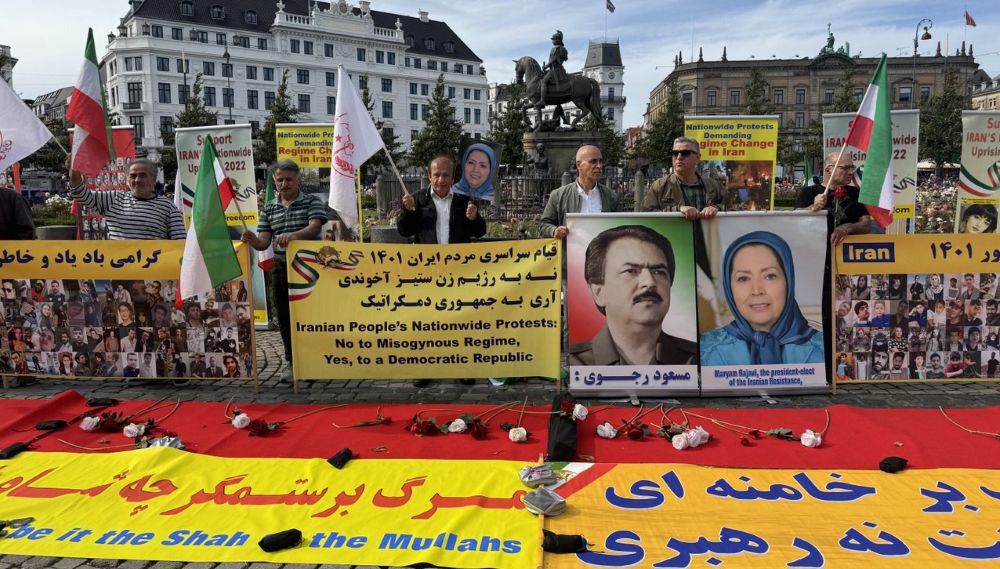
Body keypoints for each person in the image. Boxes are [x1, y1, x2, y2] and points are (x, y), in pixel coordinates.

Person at [242, 160, 327, 382]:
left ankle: (314, 361)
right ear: (274, 181)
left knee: (311, 317)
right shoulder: (268, 207)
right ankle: (291, 361)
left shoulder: (312, 201)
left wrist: (294, 236)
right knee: (284, 317)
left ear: (298, 179)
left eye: (289, 179)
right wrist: (252, 240)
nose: (284, 183)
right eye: (280, 179)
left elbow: (315, 226)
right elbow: (263, 243)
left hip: (309, 270)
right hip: (281, 269)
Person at [569, 225, 697, 366]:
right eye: (630, 271)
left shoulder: (698, 360)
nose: (649, 282)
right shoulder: (575, 364)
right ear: (599, 292)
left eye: (659, 272)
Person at [700, 231, 823, 366]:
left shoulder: (823, 349)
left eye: (770, 276)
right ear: (729, 288)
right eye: (743, 278)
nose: (757, 290)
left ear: (788, 281)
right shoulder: (705, 350)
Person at [67, 158, 185, 240]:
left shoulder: (167, 207)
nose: (137, 180)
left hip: (154, 271)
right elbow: (80, 194)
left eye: (143, 175)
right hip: (120, 270)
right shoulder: (113, 199)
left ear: (154, 179)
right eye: (133, 176)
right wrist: (74, 170)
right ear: (127, 180)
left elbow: (179, 240)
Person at [397, 155, 487, 244]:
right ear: (430, 176)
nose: (441, 180)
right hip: (428, 257)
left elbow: (479, 232)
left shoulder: (465, 200)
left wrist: (474, 218)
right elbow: (404, 231)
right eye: (436, 175)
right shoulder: (416, 199)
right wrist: (407, 212)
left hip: (457, 257)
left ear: (452, 178)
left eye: (446, 175)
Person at [539, 145, 619, 239]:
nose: (599, 166)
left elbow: (620, 227)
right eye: (593, 161)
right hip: (571, 253)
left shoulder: (611, 196)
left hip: (601, 252)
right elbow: (543, 225)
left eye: (600, 161)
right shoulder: (558, 195)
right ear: (578, 165)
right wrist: (554, 231)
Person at [641, 137, 729, 219]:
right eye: (675, 153)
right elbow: (645, 215)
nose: (679, 157)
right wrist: (677, 210)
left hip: (708, 235)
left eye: (685, 153)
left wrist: (716, 209)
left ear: (697, 158)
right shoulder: (660, 186)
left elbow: (734, 209)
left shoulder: (715, 186)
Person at [795, 152, 872, 245]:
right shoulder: (809, 192)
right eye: (845, 168)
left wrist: (847, 228)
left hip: (847, 253)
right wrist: (813, 208)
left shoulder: (856, 192)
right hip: (817, 251)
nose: (851, 172)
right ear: (828, 171)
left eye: (852, 168)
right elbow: (795, 219)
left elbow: (866, 225)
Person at [540, 30, 569, 105]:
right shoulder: (563, 49)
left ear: (557, 40)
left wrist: (545, 66)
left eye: (553, 39)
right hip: (559, 69)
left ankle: (542, 100)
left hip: (555, 69)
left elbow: (553, 59)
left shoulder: (555, 48)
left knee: (543, 81)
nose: (552, 41)